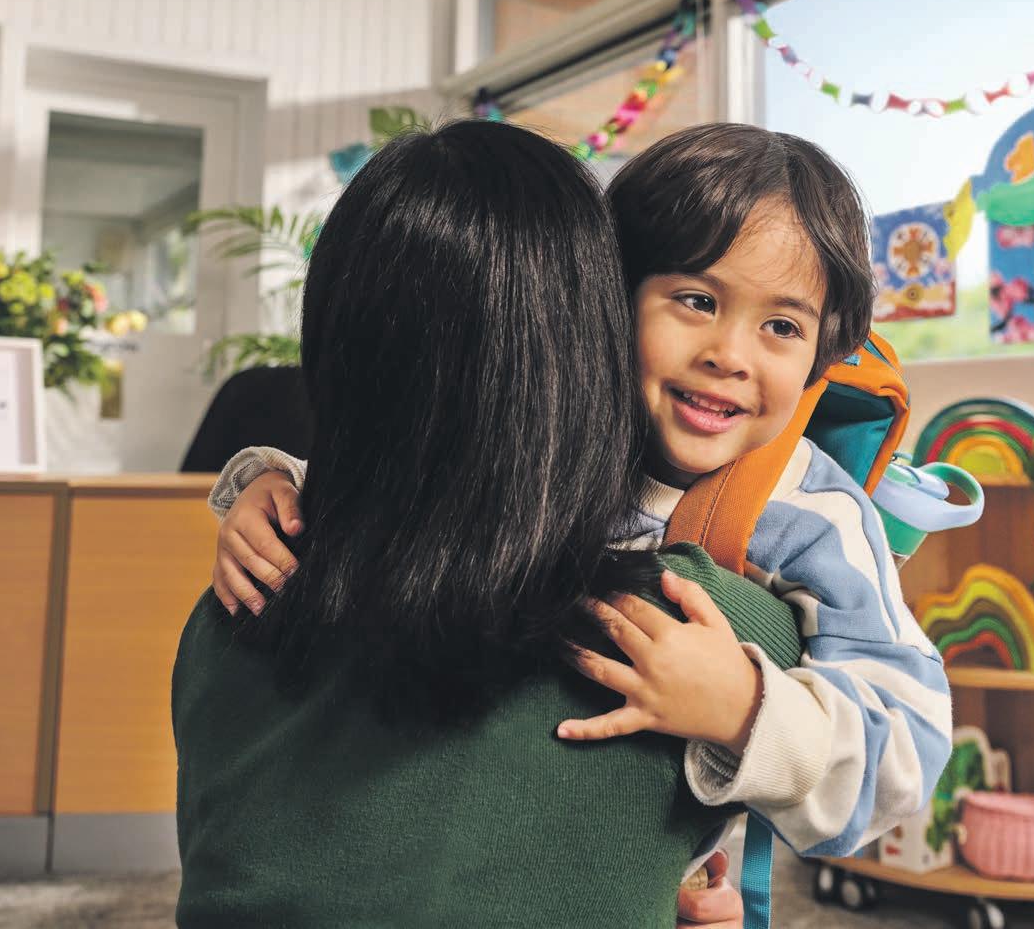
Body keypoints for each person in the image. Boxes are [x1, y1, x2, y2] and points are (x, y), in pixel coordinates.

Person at [208, 123, 953, 862]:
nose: (729, 355)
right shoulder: (554, 429)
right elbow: (421, 484)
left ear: (822, 354)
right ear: (608, 300)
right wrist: (273, 486)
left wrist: (742, 709)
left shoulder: (813, 518)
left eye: (782, 325)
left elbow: (908, 748)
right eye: (696, 300)